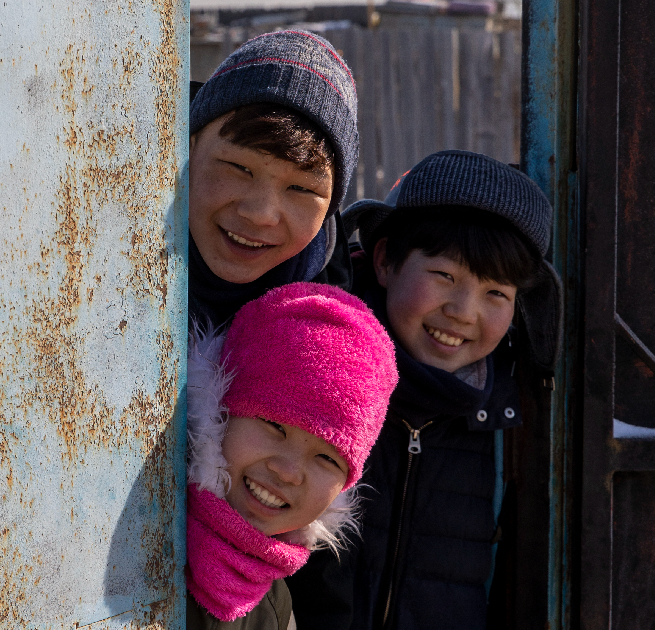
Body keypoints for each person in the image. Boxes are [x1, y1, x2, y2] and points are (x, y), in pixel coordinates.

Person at [286, 150, 561, 630]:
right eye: (445, 276)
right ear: (386, 260)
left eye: (496, 293)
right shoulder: (318, 383)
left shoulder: (506, 424)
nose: (463, 311)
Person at [185, 282, 399, 629]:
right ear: (218, 409)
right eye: (273, 425)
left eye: (328, 459)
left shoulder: (274, 608)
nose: (288, 472)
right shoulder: (138, 527)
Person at [189, 30, 359, 327]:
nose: (260, 215)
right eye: (239, 168)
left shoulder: (335, 332)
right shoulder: (98, 264)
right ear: (190, 148)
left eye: (300, 188)